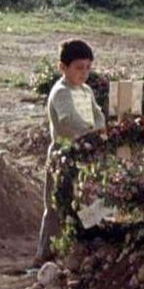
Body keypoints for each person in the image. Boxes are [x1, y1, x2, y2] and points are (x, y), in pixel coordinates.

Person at [35, 39, 106, 263]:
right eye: (78, 68)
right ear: (63, 68)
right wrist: (92, 134)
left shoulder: (86, 90)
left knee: (88, 199)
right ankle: (44, 256)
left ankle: (82, 248)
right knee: (56, 205)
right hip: (63, 155)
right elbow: (69, 120)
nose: (84, 73)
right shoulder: (61, 92)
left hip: (86, 153)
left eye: (87, 67)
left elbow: (98, 114)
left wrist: (102, 132)